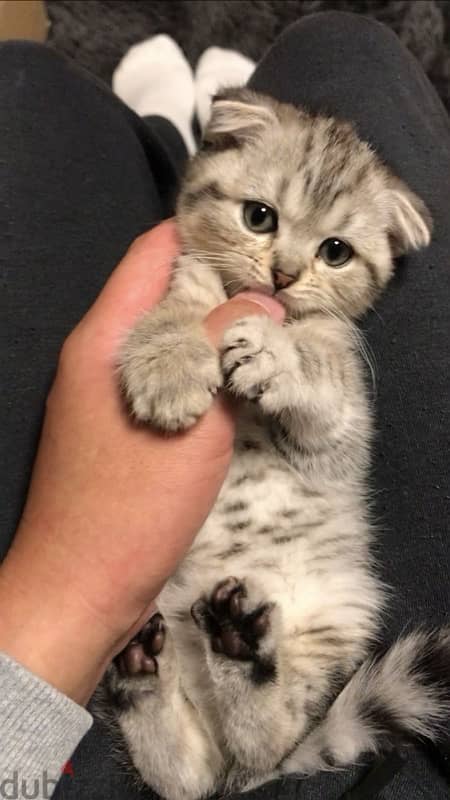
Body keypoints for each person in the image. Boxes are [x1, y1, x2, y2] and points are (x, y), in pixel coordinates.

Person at [0, 11, 448, 800]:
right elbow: (172, 352)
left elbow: (332, 426)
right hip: (247, 603)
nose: (282, 270)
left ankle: (168, 129)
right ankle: (181, 130)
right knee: (346, 50)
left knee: (25, 89)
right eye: (263, 219)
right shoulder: (242, 288)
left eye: (334, 253)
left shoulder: (326, 339)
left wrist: (284, 367)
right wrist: (176, 337)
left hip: (184, 612)